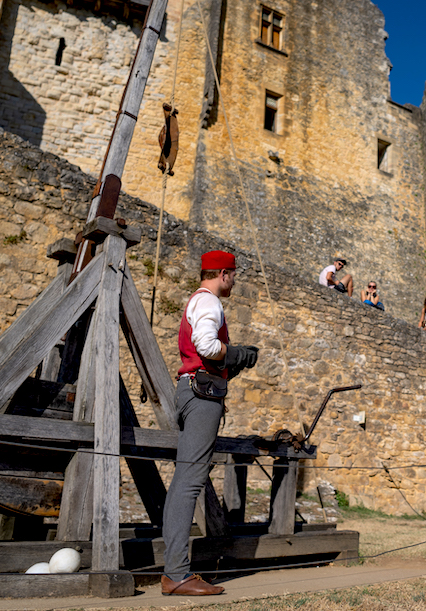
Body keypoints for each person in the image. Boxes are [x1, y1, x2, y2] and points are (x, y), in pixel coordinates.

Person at [162, 250, 259, 596]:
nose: (233, 281)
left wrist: (234, 360)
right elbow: (205, 345)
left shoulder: (198, 301)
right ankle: (176, 574)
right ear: (223, 273)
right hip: (202, 395)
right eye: (232, 275)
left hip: (193, 390)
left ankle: (174, 571)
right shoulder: (209, 302)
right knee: (190, 482)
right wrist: (235, 353)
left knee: (184, 481)